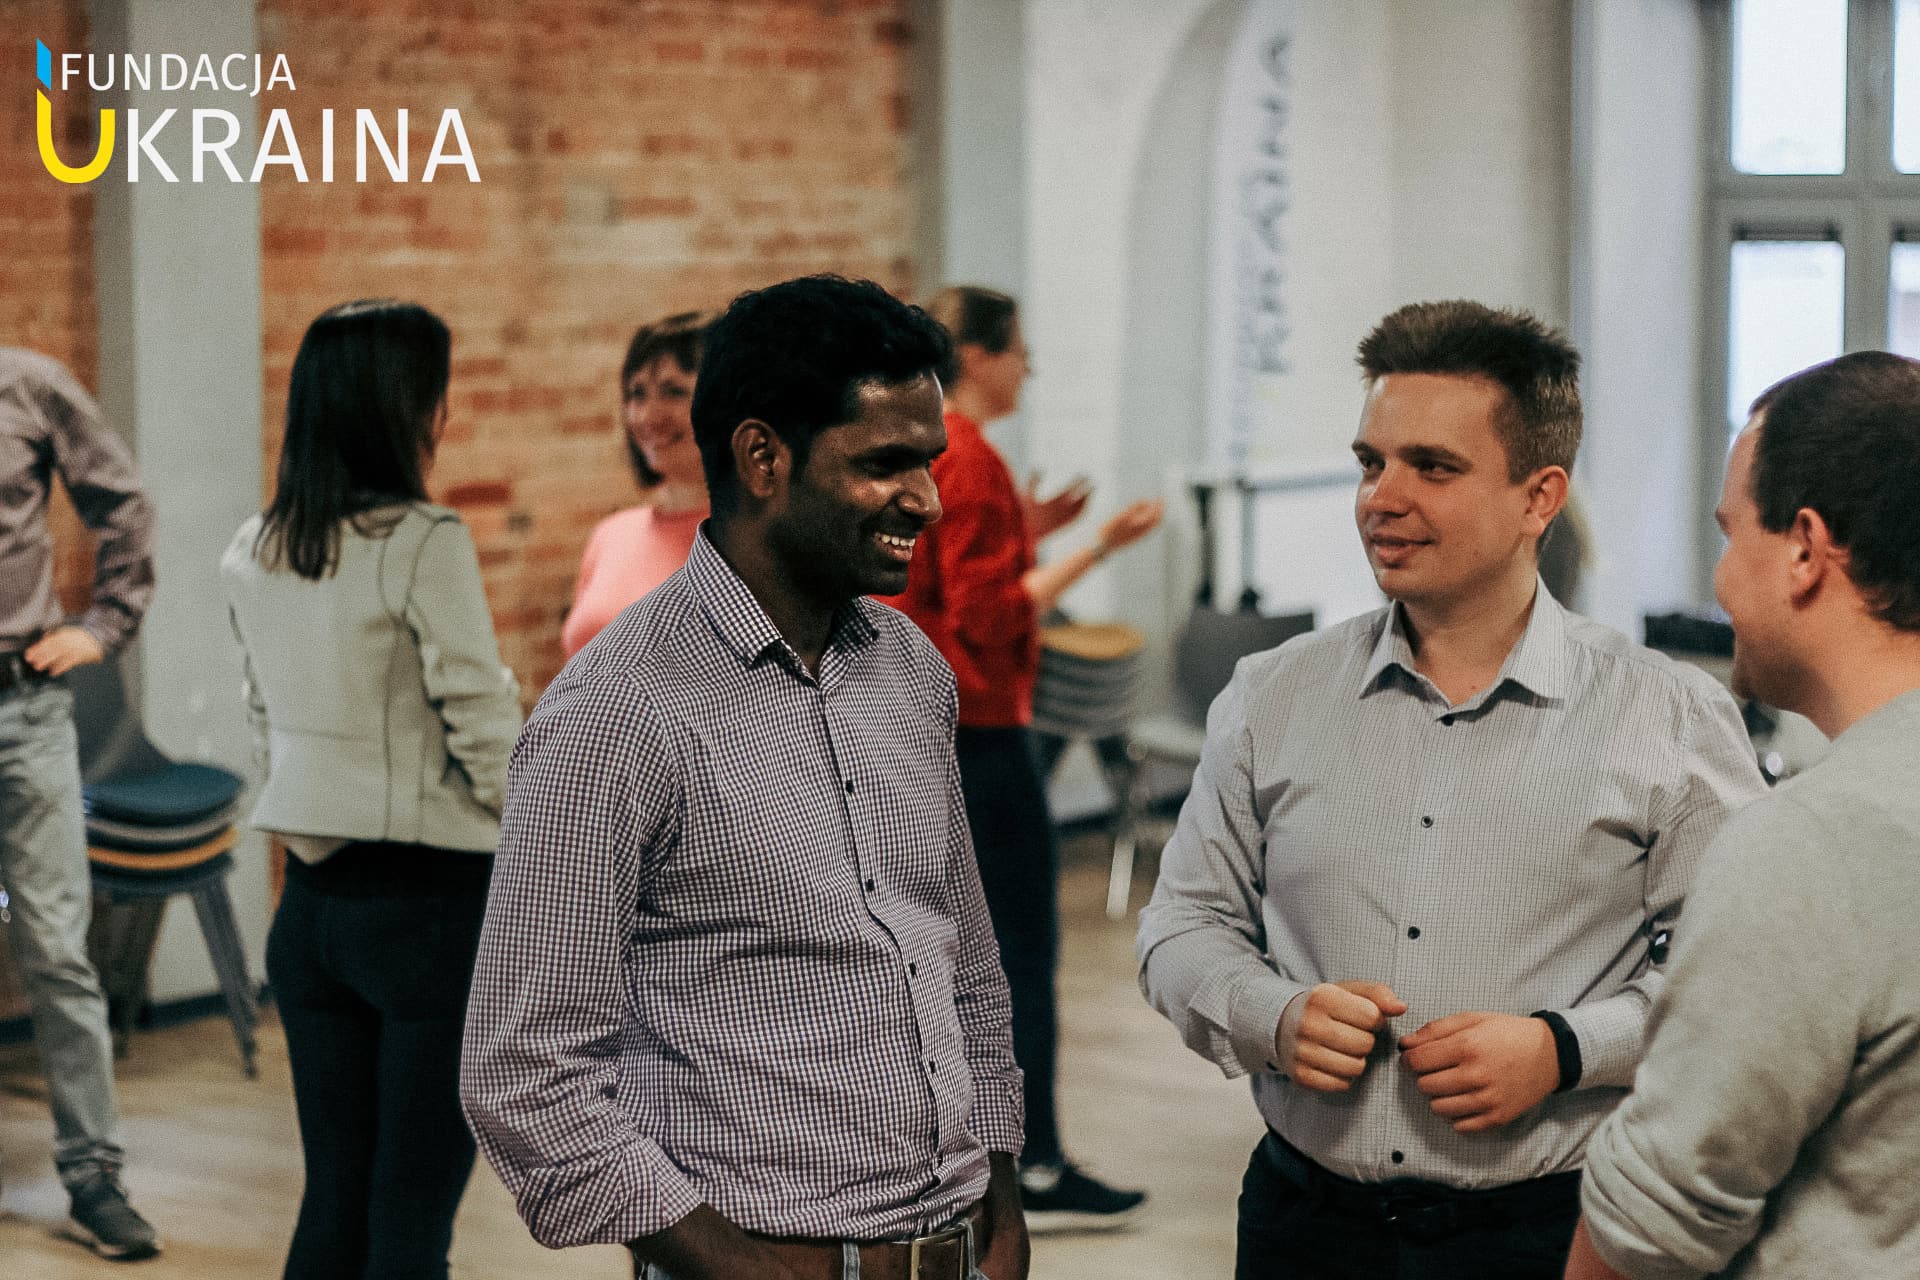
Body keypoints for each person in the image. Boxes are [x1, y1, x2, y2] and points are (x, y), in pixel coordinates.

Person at [1135, 300, 1766, 1280]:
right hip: (1304, 1228)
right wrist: (1272, 1014)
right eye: (1371, 462)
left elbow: (1739, 982)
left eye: (1432, 467)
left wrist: (1564, 1049)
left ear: (1538, 496)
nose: (1381, 498)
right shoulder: (1272, 696)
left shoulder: (1670, 716)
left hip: (1547, 1234)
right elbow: (1182, 925)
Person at [462, 275, 1030, 1280]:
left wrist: (1003, 1193)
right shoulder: (617, 711)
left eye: (928, 461)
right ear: (763, 457)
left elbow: (966, 968)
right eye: (884, 464)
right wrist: (746, 1271)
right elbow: (526, 1072)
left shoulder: (909, 670)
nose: (929, 499)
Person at [1566, 352, 1920, 1280]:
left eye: (1731, 535)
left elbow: (1650, 1225)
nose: (1721, 579)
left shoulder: (1816, 844)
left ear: (1804, 548)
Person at [221, 300, 522, 1280]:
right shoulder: (424, 539)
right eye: (435, 392)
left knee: (334, 1206)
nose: (443, 412)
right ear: (401, 407)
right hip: (429, 916)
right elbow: (479, 715)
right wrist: (540, 838)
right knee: (407, 1228)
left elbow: (262, 719)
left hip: (309, 915)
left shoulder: (255, 546)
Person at [883, 284, 1160, 1230]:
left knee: (952, 954)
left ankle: (961, 1162)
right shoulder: (970, 458)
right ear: (976, 355)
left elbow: (934, 570)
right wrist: (1101, 548)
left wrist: (1028, 529)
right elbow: (990, 613)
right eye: (1018, 351)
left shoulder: (927, 453)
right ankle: (1029, 1162)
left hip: (923, 732)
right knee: (1016, 956)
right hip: (981, 730)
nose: (1029, 368)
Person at [0, 346, 160, 1260]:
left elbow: (122, 502)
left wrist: (104, 623)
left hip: (24, 710)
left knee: (57, 951)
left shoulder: (28, 385)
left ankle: (94, 1177)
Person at [561, 311, 711, 659]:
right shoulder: (611, 534)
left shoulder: (756, 540)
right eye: (637, 393)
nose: (646, 416)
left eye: (673, 392)